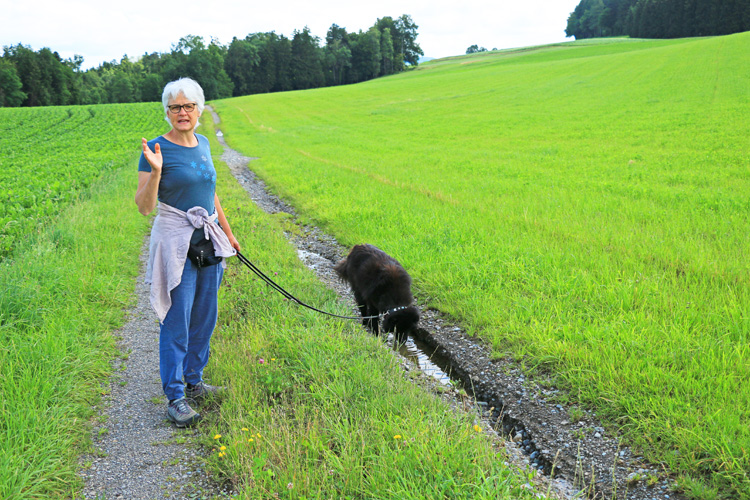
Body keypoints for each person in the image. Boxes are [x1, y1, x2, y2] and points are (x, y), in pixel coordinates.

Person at [135, 77, 240, 427]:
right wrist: (156, 172)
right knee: (176, 319)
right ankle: (176, 396)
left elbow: (211, 192)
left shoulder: (204, 142)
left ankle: (194, 381)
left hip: (207, 239)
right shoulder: (154, 148)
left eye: (188, 106)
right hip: (176, 240)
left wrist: (227, 231)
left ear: (199, 108)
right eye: (175, 107)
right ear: (167, 111)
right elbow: (144, 207)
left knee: (205, 316)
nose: (182, 112)